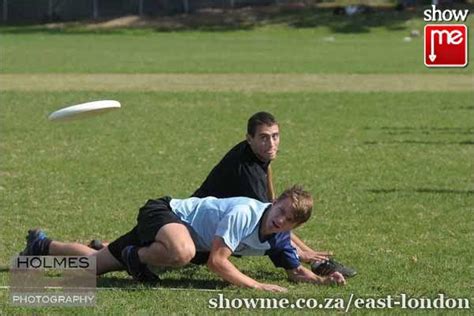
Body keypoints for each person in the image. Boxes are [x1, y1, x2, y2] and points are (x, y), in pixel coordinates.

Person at [20, 186, 346, 292]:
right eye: (281, 209)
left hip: (171, 234)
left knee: (90, 269)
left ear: (293, 225)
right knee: (183, 252)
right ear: (274, 202)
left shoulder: (279, 238)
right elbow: (218, 263)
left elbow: (294, 271)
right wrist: (258, 286)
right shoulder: (246, 213)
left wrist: (322, 280)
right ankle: (138, 255)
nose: (280, 219)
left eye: (289, 219)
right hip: (165, 214)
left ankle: (42, 245)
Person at [191, 111, 356, 277]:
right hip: (198, 239)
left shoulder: (256, 151)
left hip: (215, 227)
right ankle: (317, 262)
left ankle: (316, 259)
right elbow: (275, 225)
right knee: (275, 223)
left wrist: (306, 250)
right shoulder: (248, 173)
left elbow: (268, 178)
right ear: (250, 138)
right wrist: (300, 253)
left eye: (275, 136)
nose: (271, 143)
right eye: (264, 137)